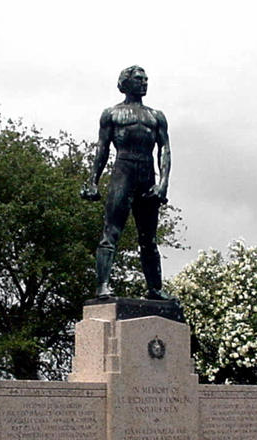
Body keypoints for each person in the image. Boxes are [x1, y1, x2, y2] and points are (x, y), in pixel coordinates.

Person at [81, 65, 173, 300]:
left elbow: (165, 149)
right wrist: (93, 181)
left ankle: (155, 288)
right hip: (123, 170)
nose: (144, 83)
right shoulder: (112, 114)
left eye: (146, 79)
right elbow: (102, 149)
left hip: (147, 173)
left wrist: (163, 183)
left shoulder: (156, 116)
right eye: (139, 79)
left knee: (149, 237)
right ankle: (102, 285)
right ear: (126, 83)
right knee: (111, 231)